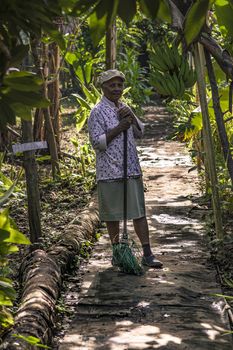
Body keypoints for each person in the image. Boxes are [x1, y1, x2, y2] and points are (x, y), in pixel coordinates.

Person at [88, 69, 163, 268]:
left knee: (138, 212)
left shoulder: (124, 107)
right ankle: (118, 253)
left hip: (130, 168)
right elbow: (97, 143)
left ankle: (147, 254)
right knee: (113, 215)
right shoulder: (97, 112)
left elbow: (140, 132)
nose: (116, 89)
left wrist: (130, 117)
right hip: (109, 170)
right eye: (112, 85)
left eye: (119, 85)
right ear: (103, 88)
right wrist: (118, 128)